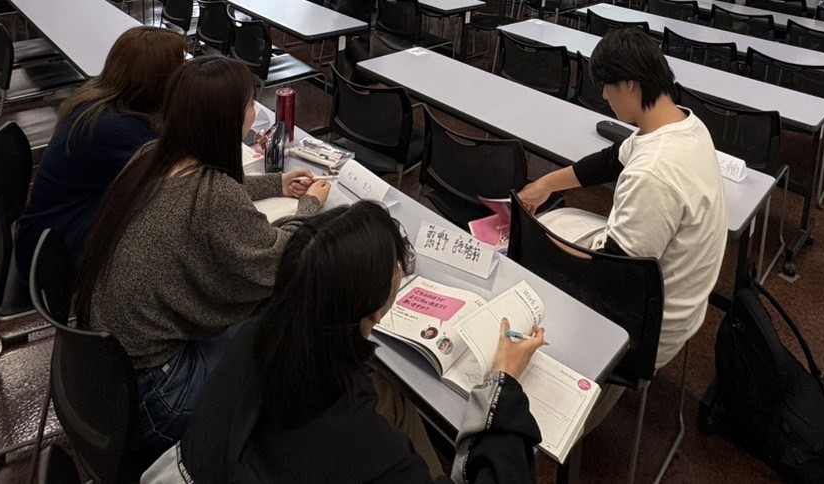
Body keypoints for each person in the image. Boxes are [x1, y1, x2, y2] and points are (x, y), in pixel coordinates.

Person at [141, 201, 546, 484]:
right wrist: (504, 383)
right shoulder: (368, 448)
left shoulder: (254, 338)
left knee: (392, 394)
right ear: (374, 313)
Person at [77, 57, 330, 454]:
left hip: (105, 376)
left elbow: (219, 188)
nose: (256, 113)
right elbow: (282, 258)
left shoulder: (150, 158)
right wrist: (309, 207)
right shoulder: (212, 197)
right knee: (287, 322)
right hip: (159, 398)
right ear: (225, 120)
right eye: (250, 105)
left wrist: (275, 184)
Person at [518, 28, 728, 371]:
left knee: (535, 256)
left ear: (630, 84)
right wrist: (547, 184)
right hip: (667, 288)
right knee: (558, 219)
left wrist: (536, 240)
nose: (603, 95)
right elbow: (611, 160)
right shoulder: (680, 122)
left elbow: (613, 274)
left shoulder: (653, 173)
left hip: (645, 329)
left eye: (607, 85)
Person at [15, 28, 187, 275]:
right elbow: (182, 168)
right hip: (57, 258)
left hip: (51, 235)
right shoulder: (118, 130)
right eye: (180, 68)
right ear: (158, 81)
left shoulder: (97, 104)